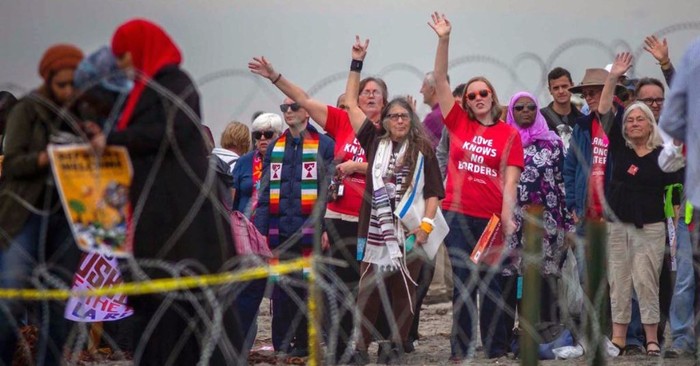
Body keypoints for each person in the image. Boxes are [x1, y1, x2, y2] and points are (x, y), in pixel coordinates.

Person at [88, 19, 243, 365]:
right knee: (163, 317)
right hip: (160, 222)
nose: (123, 64)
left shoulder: (175, 84)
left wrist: (112, 140)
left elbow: (167, 132)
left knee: (189, 312)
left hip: (185, 228)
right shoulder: (144, 91)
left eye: (125, 55)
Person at [248, 54, 382, 363]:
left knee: (363, 290)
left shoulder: (389, 132)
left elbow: (395, 166)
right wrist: (274, 75)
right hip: (337, 219)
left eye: (376, 94)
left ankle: (362, 346)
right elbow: (304, 99)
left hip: (370, 220)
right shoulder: (342, 123)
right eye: (364, 92)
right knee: (333, 290)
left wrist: (356, 166)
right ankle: (339, 350)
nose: (369, 97)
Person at [343, 35, 444, 365]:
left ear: (410, 119)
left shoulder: (424, 148)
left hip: (411, 229)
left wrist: (426, 227)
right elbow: (351, 105)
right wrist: (356, 62)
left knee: (404, 289)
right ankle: (360, 347)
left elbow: (432, 192)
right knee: (367, 288)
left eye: (404, 116)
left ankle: (396, 344)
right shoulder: (374, 141)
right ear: (384, 121)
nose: (399, 121)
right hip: (373, 229)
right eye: (393, 116)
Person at [429, 13, 524, 361]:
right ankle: (461, 349)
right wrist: (444, 39)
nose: (479, 97)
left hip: (493, 220)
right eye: (473, 95)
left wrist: (508, 216)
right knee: (465, 284)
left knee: (494, 284)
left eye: (484, 93)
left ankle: (496, 347)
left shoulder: (509, 134)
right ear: (466, 101)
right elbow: (439, 78)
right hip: (458, 216)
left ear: (492, 97)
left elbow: (510, 180)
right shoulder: (457, 123)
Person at [0, 43, 84, 365]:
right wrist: (45, 157)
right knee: (11, 294)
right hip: (26, 214)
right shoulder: (29, 111)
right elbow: (13, 164)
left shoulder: (84, 114)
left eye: (73, 84)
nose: (67, 91)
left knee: (58, 305)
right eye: (61, 84)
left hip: (68, 216)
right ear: (49, 80)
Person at [253, 96, 334, 357]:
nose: (288, 111)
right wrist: (259, 232)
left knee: (308, 289)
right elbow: (264, 194)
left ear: (307, 112)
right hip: (279, 231)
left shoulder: (324, 145)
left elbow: (328, 194)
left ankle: (304, 343)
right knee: (281, 291)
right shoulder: (276, 146)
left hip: (310, 230)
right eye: (284, 108)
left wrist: (325, 229)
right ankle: (281, 345)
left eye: (294, 107)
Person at [606, 100, 682, 357]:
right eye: (630, 119)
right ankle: (619, 338)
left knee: (647, 282)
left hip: (650, 227)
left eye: (640, 119)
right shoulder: (619, 148)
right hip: (617, 226)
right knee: (619, 282)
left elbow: (674, 196)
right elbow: (605, 110)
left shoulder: (663, 155)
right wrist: (613, 77)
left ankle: (652, 340)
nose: (634, 123)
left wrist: (676, 230)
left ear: (651, 124)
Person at [502, 91, 572, 337]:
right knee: (516, 275)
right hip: (513, 221)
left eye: (531, 107)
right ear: (511, 111)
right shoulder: (504, 140)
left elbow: (562, 182)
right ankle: (519, 329)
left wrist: (568, 221)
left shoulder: (552, 143)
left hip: (547, 221)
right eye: (519, 107)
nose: (525, 112)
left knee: (545, 274)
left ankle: (548, 329)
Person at [658, 35, 700, 361]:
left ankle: (684, 339)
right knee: (685, 275)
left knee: (685, 275)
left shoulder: (696, 52)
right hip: (691, 208)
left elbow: (672, 117)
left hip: (696, 201)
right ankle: (684, 338)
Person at [230, 112, 284, 353]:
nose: (263, 139)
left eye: (268, 134)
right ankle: (240, 346)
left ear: (279, 135)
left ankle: (283, 344)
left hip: (276, 234)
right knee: (246, 295)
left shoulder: (286, 160)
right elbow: (233, 200)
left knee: (280, 294)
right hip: (246, 239)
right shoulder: (243, 163)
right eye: (258, 135)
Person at [540, 67, 583, 150]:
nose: (561, 91)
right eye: (556, 88)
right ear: (550, 90)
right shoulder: (540, 119)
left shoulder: (583, 120)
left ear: (572, 86)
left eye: (564, 86)